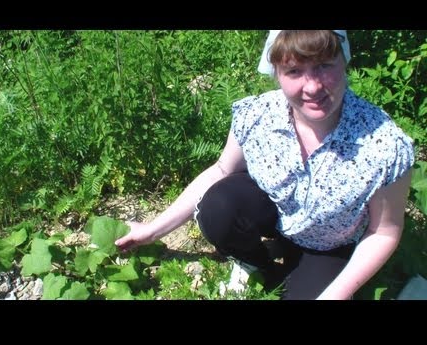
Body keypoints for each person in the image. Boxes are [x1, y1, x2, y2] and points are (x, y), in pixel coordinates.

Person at [115, 30, 415, 300]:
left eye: (324, 65)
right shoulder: (257, 115)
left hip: (329, 245)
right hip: (275, 218)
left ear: (343, 60)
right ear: (277, 74)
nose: (312, 87)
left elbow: (383, 231)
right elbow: (222, 170)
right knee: (218, 207)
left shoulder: (384, 145)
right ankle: (256, 264)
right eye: (294, 70)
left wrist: (337, 293)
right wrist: (152, 231)